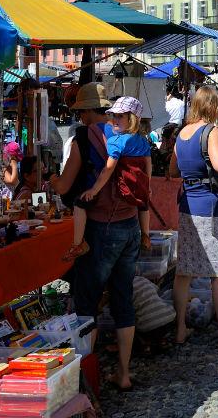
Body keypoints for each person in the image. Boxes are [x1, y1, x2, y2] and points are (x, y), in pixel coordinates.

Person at [51, 83, 139, 391]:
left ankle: (86, 376)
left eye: (82, 111)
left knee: (86, 301)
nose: (82, 116)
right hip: (130, 226)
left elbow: (64, 187)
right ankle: (124, 373)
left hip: (100, 228)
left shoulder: (82, 141)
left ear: (88, 112)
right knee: (122, 301)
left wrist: (51, 178)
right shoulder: (127, 135)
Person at [169, 85, 218, 347]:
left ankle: (179, 329)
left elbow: (173, 168)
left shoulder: (182, 134)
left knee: (184, 273)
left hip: (188, 206)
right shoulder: (211, 132)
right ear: (213, 107)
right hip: (211, 206)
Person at [65, 97, 152, 262]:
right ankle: (146, 235)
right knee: (144, 203)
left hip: (114, 208)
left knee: (79, 203)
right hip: (135, 199)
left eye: (120, 116)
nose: (115, 120)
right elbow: (148, 163)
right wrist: (148, 185)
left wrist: (94, 190)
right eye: (114, 116)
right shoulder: (142, 141)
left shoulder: (116, 141)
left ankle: (78, 243)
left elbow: (108, 169)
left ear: (131, 119)